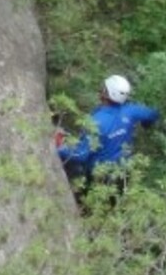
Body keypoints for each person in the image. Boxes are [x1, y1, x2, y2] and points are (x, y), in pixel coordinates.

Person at [56, 74, 159, 203]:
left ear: (107, 92)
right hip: (122, 174)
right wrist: (146, 124)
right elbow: (153, 114)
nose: (100, 89)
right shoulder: (131, 111)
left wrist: (59, 148)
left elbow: (81, 154)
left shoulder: (97, 121)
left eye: (103, 87)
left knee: (72, 165)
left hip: (98, 177)